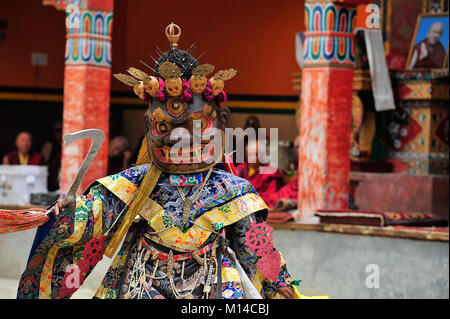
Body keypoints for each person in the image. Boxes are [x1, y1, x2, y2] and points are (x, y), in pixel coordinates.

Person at [17, 25, 296, 299]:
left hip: (212, 282)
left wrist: (277, 280)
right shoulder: (134, 183)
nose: (178, 138)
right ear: (147, 125)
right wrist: (69, 213)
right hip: (143, 278)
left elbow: (256, 244)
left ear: (222, 122)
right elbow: (95, 214)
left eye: (195, 125)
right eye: (163, 127)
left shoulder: (233, 191)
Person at [236, 139, 284, 209]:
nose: (252, 158)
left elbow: (270, 196)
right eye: (250, 154)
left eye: (256, 154)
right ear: (245, 155)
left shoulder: (269, 172)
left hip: (259, 206)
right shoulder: (240, 169)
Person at [41, 121, 62, 192]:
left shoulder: (71, 146)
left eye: (61, 130)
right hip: (50, 187)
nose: (59, 133)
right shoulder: (49, 146)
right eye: (57, 131)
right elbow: (42, 165)